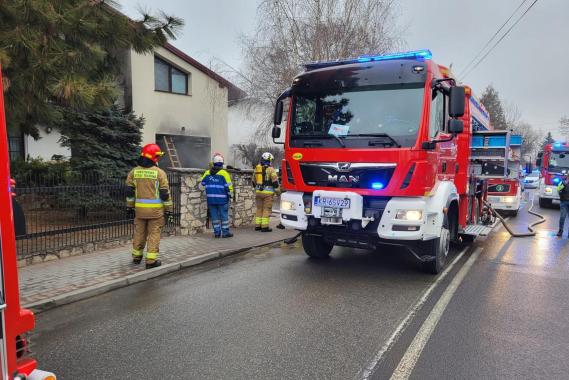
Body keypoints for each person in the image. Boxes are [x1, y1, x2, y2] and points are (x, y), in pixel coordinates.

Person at [126, 143, 173, 269]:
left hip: (139, 211)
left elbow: (129, 193)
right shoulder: (160, 173)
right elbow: (165, 195)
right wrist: (168, 210)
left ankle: (136, 257)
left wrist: (129, 207)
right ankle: (151, 261)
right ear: (154, 157)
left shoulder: (133, 172)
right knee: (154, 234)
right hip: (156, 212)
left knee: (139, 233)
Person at [201, 153, 234, 238]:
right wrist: (231, 196)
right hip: (222, 200)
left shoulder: (207, 173)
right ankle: (225, 233)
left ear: (213, 163)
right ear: (222, 163)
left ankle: (217, 233)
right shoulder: (224, 173)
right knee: (224, 216)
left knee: (214, 217)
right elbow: (229, 187)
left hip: (211, 199)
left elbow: (203, 182)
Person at [253, 152, 279, 232]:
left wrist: (258, 189)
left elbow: (253, 181)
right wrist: (278, 192)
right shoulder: (271, 169)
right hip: (268, 194)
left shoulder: (256, 169)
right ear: (269, 160)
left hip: (258, 192)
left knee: (259, 209)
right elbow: (275, 182)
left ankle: (257, 226)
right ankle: (264, 227)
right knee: (266, 209)